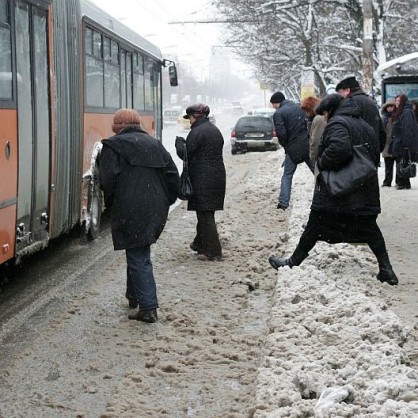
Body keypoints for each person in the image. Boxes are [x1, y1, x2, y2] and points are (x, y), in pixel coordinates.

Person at [268, 94, 399, 286]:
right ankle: (386, 269)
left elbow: (340, 149)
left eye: (326, 114)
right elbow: (376, 145)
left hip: (341, 190)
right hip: (363, 188)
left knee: (315, 224)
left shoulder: (338, 123)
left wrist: (321, 162)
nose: (326, 118)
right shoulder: (363, 124)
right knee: (369, 228)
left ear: (330, 110)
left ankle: (292, 262)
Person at [99, 108, 180, 323]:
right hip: (155, 207)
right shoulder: (154, 144)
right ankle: (133, 295)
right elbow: (173, 176)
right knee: (137, 248)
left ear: (117, 126)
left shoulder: (112, 146)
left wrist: (114, 205)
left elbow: (107, 182)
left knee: (138, 255)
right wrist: (165, 200)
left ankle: (148, 307)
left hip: (129, 206)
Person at [175, 103, 226, 261]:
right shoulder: (213, 129)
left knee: (205, 215)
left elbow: (186, 154)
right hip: (215, 177)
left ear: (196, 116)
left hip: (203, 179)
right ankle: (200, 244)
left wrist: (179, 144)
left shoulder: (197, 132)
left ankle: (213, 251)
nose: (189, 121)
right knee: (205, 213)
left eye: (189, 117)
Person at [270, 92, 315, 210]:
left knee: (287, 176)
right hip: (306, 145)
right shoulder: (298, 107)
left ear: (277, 102)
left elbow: (282, 134)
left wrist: (286, 146)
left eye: (273, 104)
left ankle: (283, 203)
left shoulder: (278, 113)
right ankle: (329, 193)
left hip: (293, 148)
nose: (273, 107)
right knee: (317, 172)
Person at [336, 75, 386, 152]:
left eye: (340, 92)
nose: (340, 96)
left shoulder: (348, 103)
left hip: (356, 153)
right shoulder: (370, 102)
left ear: (347, 90)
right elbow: (381, 131)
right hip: (372, 152)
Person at [390, 94, 418, 190]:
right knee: (401, 162)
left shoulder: (406, 112)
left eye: (399, 100)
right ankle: (402, 182)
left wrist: (406, 144)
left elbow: (408, 129)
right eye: (396, 100)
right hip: (400, 142)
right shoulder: (402, 111)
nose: (397, 102)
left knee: (403, 162)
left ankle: (403, 183)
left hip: (403, 144)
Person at [300, 96, 327, 163]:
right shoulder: (319, 117)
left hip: (321, 155)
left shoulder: (318, 119)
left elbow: (315, 140)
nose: (306, 113)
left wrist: (312, 156)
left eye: (307, 111)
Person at [380, 98, 396, 187]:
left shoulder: (397, 116)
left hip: (395, 143)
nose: (390, 108)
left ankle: (397, 181)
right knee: (388, 165)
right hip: (387, 144)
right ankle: (387, 181)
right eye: (388, 106)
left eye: (392, 106)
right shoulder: (384, 118)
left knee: (397, 164)